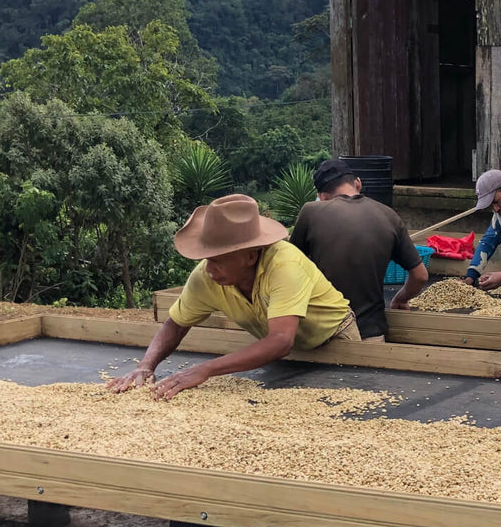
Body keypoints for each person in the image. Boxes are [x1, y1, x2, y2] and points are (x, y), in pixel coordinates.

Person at [107, 194, 360, 400]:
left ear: (250, 256)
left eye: (218, 260)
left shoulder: (285, 264)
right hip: (291, 351)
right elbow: (176, 323)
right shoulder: (207, 277)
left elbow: (281, 340)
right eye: (207, 259)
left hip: (335, 340)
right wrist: (146, 365)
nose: (209, 269)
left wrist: (205, 369)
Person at [290, 158, 429, 340]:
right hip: (371, 334)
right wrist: (401, 298)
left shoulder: (311, 212)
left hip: (322, 336)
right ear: (358, 183)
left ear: (322, 197)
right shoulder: (388, 215)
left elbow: (288, 267)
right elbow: (420, 276)